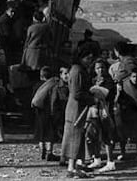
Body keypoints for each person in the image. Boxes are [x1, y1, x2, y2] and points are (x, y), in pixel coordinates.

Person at [61, 49, 96, 178]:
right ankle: (71, 168)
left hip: (80, 107)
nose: (89, 61)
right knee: (74, 137)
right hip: (76, 109)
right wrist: (93, 98)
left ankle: (75, 166)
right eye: (87, 58)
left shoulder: (79, 69)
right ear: (80, 58)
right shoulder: (77, 71)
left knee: (78, 137)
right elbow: (77, 93)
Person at [87, 59, 117, 172]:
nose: (100, 70)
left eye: (102, 67)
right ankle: (97, 158)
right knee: (92, 133)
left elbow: (107, 94)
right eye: (97, 68)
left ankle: (110, 161)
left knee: (107, 134)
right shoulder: (93, 80)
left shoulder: (109, 81)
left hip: (105, 110)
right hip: (94, 109)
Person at [31, 66, 61, 161]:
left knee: (41, 132)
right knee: (50, 133)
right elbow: (54, 99)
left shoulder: (37, 85)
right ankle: (49, 152)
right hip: (49, 111)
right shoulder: (53, 84)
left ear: (41, 76)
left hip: (39, 111)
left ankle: (42, 151)